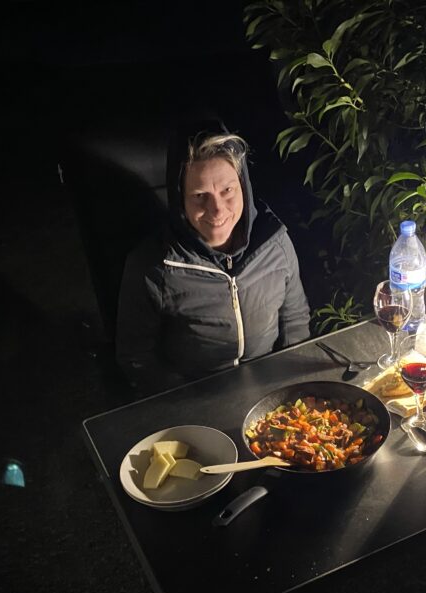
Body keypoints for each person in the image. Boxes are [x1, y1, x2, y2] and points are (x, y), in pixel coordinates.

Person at [116, 119, 311, 393]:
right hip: (196, 396)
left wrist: (288, 386)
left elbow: (295, 320)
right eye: (200, 196)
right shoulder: (153, 266)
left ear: (243, 187)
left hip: (268, 391)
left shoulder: (275, 244)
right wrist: (190, 401)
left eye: (227, 190)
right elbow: (136, 356)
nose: (217, 209)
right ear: (180, 198)